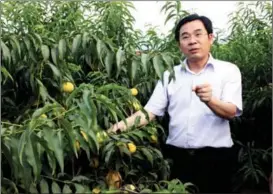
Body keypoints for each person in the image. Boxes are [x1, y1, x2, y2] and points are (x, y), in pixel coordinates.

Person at [107, 14, 243, 193]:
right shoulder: (170, 74)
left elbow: (231, 111)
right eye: (185, 37)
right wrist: (114, 130)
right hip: (177, 158)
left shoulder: (228, 71)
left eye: (198, 34)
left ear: (210, 38)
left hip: (215, 159)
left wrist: (210, 100)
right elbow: (149, 112)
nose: (192, 41)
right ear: (179, 44)